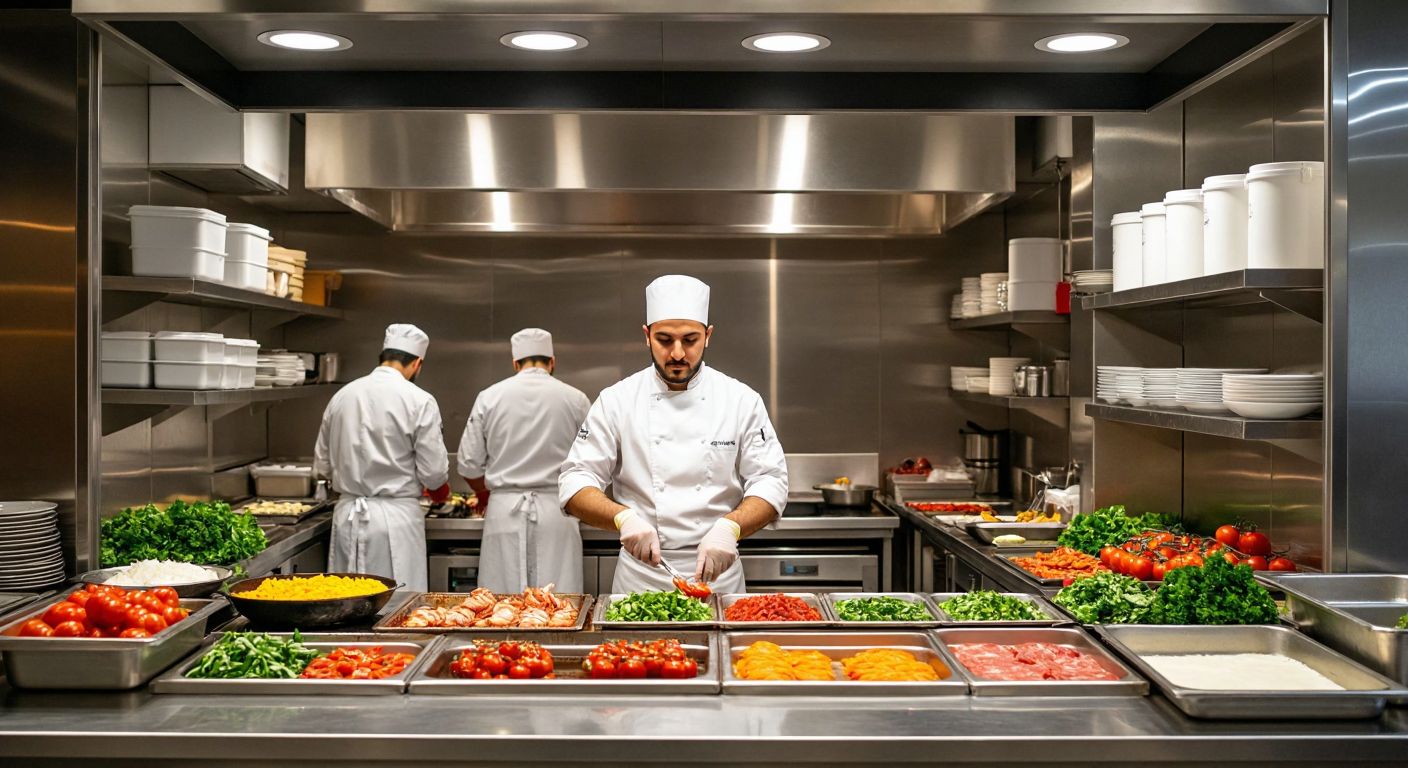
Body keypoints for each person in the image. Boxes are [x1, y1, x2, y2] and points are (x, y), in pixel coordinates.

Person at [559, 275, 788, 594]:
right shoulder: (617, 400)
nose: (678, 353)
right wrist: (622, 518)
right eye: (665, 340)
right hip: (640, 582)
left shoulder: (740, 399)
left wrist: (730, 527)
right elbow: (575, 481)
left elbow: (771, 480)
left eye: (690, 340)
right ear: (646, 335)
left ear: (708, 336)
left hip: (718, 579)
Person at [315, 323, 449, 591]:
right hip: (396, 521)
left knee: (345, 605)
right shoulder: (419, 400)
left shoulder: (342, 396)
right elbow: (434, 473)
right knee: (397, 607)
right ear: (417, 363)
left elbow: (322, 465)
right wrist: (439, 492)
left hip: (348, 517)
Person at [457, 328, 592, 593]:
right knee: (560, 604)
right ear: (552, 362)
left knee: (499, 607)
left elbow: (468, 464)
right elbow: (593, 462)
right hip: (558, 511)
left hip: (504, 510)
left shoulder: (490, 397)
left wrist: (483, 493)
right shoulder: (576, 399)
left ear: (515, 363)